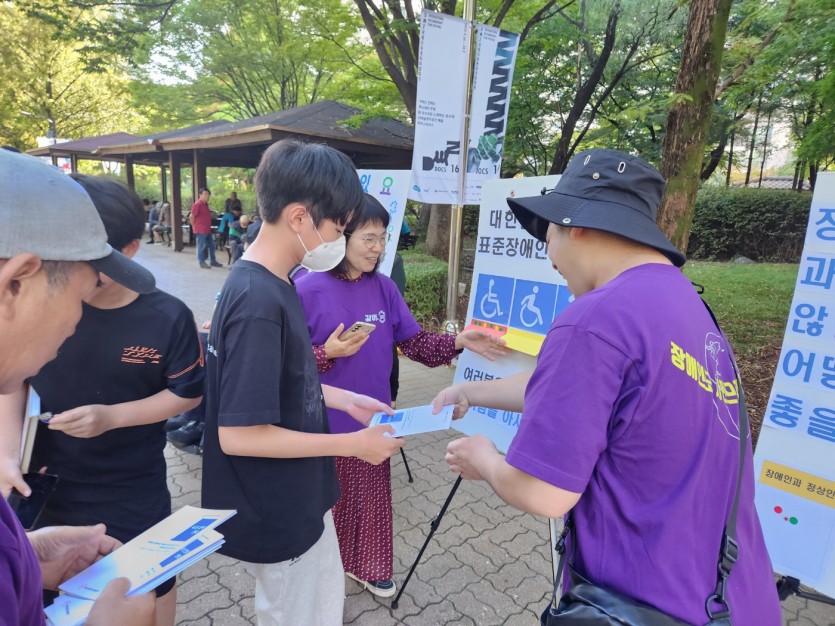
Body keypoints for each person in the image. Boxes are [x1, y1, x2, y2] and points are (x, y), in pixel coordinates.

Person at [433, 149, 782, 624]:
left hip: (644, 604)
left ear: (576, 224)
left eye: (548, 234)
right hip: (734, 598)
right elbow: (575, 392)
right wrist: (472, 393)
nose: (550, 257)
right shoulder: (688, 305)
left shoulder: (595, 318)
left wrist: (485, 460)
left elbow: (544, 492)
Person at [200, 139, 405, 626]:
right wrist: (353, 444)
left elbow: (282, 381)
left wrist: (345, 399)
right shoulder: (258, 302)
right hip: (279, 508)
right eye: (338, 226)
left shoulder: (272, 283)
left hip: (297, 498)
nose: (338, 239)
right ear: (299, 217)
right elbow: (240, 434)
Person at [0, 174, 204, 625]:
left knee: (147, 590)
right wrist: (7, 451)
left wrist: (112, 416)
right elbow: (13, 383)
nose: (73, 325)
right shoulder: (33, 328)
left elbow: (187, 393)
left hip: (131, 486)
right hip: (47, 484)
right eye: (76, 295)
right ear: (18, 280)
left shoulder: (167, 316)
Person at [296, 194, 508, 598]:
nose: (378, 248)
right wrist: (327, 353)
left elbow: (415, 344)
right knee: (325, 504)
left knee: (371, 499)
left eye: (383, 238)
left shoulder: (384, 288)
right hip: (321, 425)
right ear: (341, 236)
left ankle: (367, 566)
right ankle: (323, 571)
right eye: (368, 238)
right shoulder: (305, 288)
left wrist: (459, 341)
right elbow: (283, 365)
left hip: (375, 419)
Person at [191, 187, 222, 269]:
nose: (207, 196)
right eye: (205, 194)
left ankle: (213, 261)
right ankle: (201, 262)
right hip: (200, 229)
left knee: (212, 245)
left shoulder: (206, 204)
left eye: (208, 194)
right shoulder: (197, 204)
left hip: (207, 229)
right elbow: (192, 216)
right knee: (201, 246)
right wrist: (194, 226)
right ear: (200, 195)